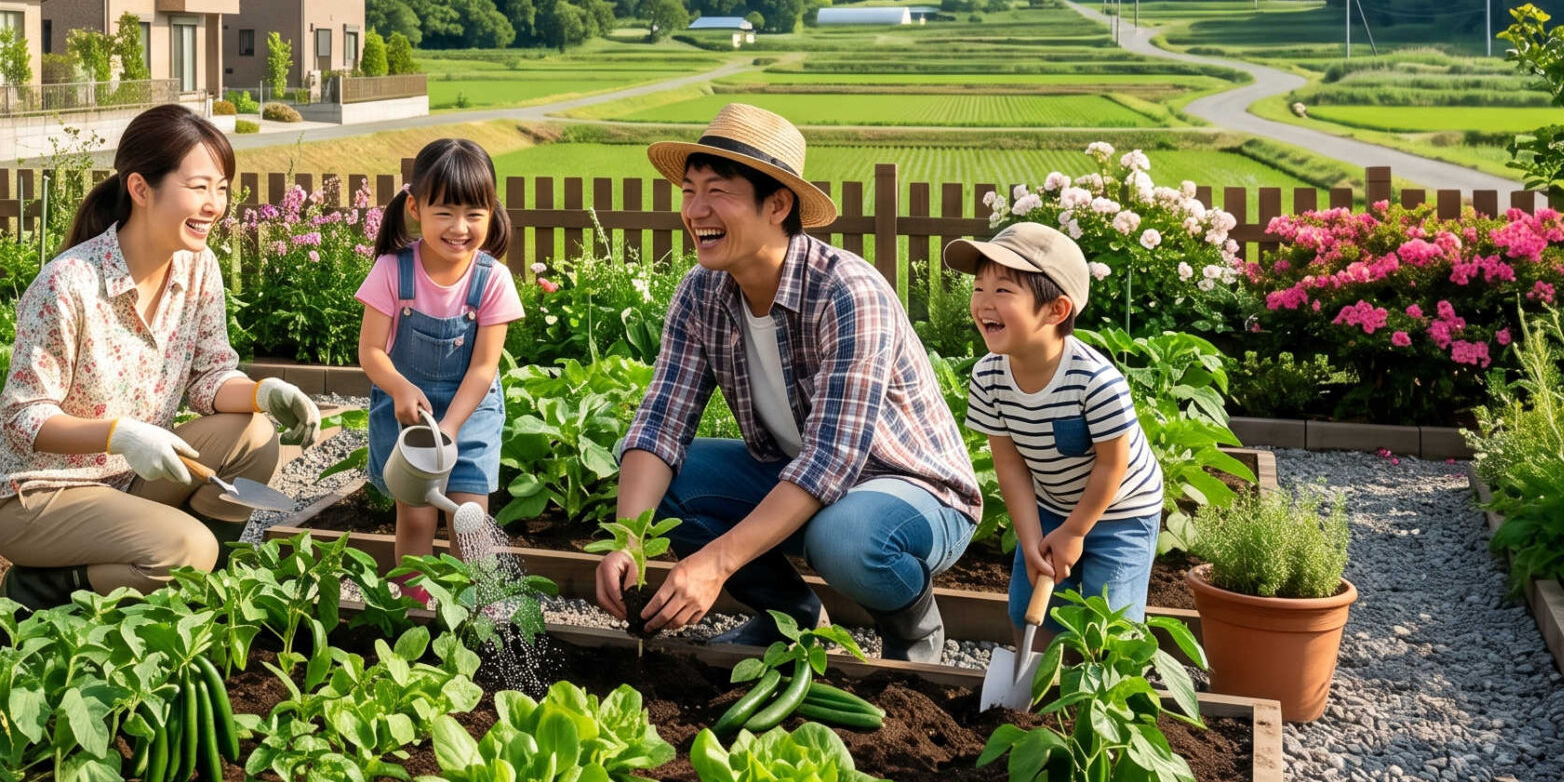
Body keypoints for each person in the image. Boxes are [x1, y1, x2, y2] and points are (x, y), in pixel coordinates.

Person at [592, 104, 980, 659]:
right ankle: (791, 618)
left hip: (911, 491)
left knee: (845, 537)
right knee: (662, 481)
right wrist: (629, 540)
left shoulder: (847, 292)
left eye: (717, 192)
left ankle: (914, 632)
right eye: (689, 191)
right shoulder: (702, 292)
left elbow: (832, 459)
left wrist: (716, 563)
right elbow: (660, 424)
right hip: (803, 476)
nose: (695, 210)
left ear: (777, 205)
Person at [0, 104, 323, 605]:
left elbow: (209, 377)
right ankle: (40, 587)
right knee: (187, 549)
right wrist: (120, 435)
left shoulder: (199, 269)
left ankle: (190, 594)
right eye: (199, 187)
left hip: (127, 479)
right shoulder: (69, 284)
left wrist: (264, 393)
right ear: (140, 189)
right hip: (36, 492)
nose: (214, 205)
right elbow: (23, 418)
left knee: (255, 437)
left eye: (222, 188)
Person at [948, 223, 1164, 622]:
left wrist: (1075, 531)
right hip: (1051, 503)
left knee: (1110, 619)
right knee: (1028, 608)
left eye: (1003, 291)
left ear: (1056, 310)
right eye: (979, 289)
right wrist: (1032, 539)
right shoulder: (988, 376)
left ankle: (1105, 665)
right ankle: (1033, 665)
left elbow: (1112, 465)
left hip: (1123, 510)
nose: (984, 303)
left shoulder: (1095, 381)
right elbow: (1009, 465)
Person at [356, 138, 521, 587]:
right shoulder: (393, 270)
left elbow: (484, 368)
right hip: (408, 415)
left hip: (470, 411)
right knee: (416, 520)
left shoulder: (493, 279)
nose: (459, 227)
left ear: (492, 212)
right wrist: (399, 387)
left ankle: (476, 612)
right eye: (445, 212)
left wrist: (450, 427)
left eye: (474, 214)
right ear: (415, 208)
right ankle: (414, 611)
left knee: (470, 520)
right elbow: (370, 351)